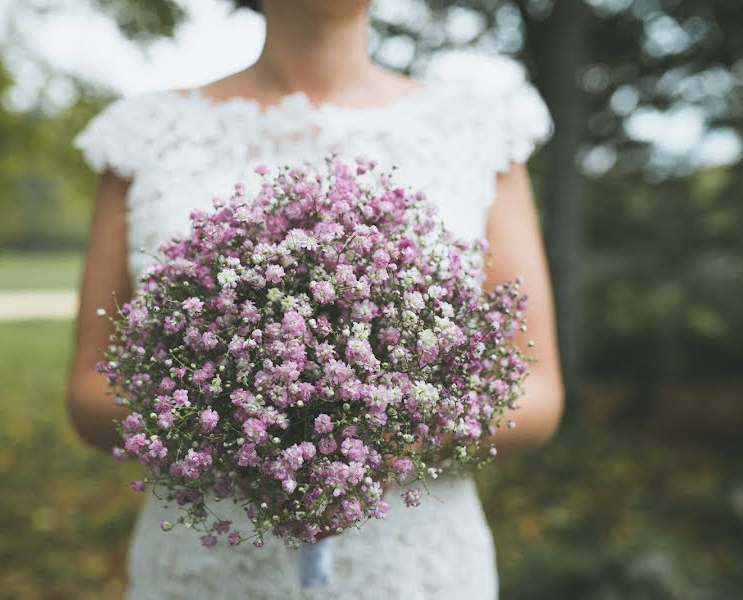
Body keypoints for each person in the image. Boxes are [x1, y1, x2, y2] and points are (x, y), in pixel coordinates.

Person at [67, 1, 564, 597]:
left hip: (414, 571)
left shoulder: (479, 131)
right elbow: (91, 390)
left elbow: (535, 393)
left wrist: (387, 435)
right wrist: (241, 434)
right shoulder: (144, 133)